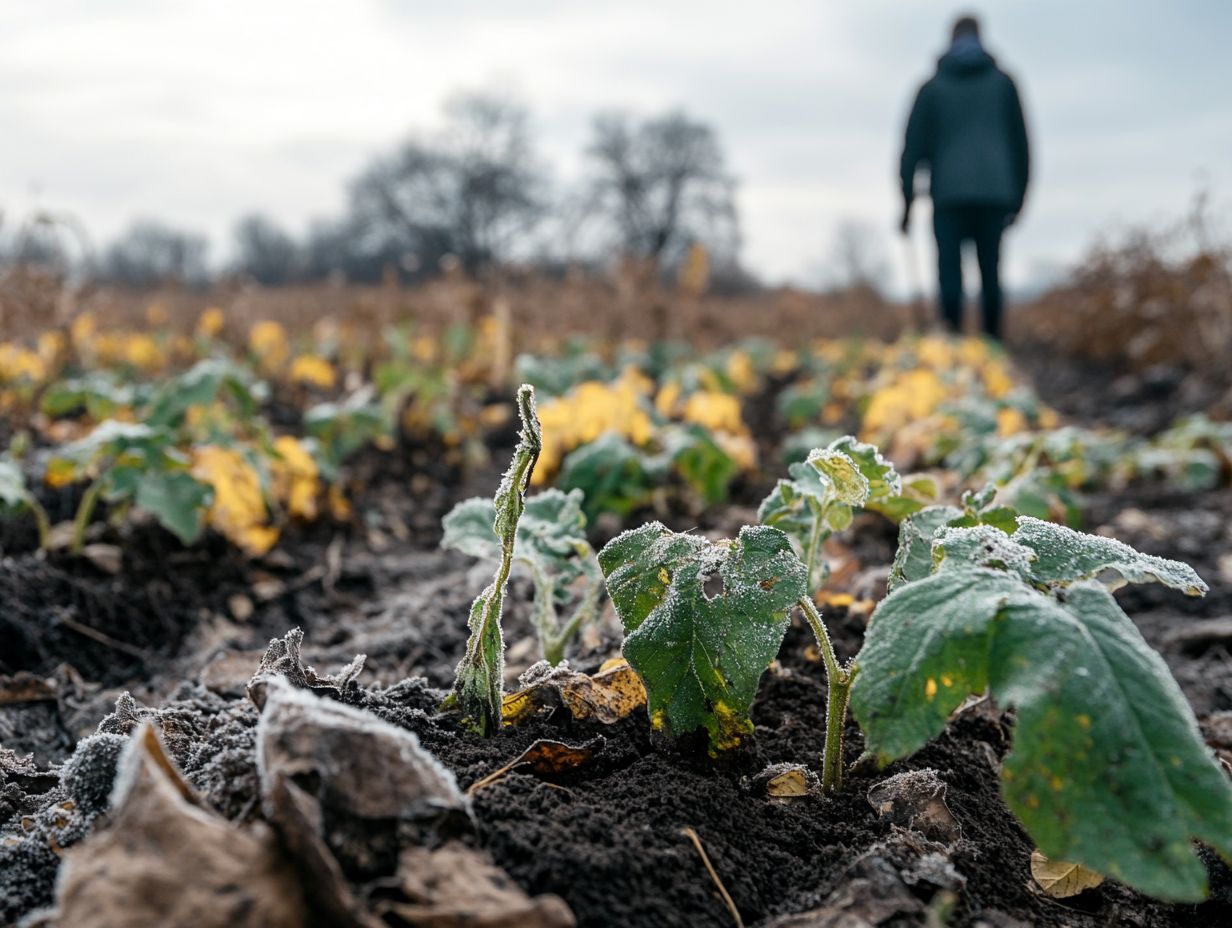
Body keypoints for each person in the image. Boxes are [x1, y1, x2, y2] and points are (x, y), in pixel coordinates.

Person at [899, 14, 1030, 340]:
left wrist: (906, 203)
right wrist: (1019, 198)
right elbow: (1022, 147)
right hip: (995, 194)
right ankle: (993, 348)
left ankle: (952, 347)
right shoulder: (1003, 84)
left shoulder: (932, 87)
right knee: (991, 274)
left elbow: (911, 149)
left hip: (948, 195)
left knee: (949, 275)